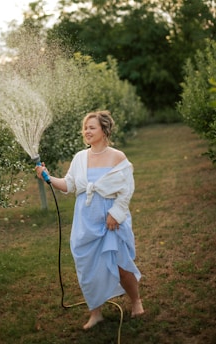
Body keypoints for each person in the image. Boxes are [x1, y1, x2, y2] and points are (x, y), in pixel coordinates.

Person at [36, 110, 144, 329]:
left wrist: (116, 213)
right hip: (86, 220)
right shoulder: (80, 158)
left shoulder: (117, 157)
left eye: (91, 127)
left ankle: (136, 302)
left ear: (104, 130)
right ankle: (95, 313)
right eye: (85, 128)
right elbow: (70, 185)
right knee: (87, 268)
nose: (87, 131)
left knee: (122, 265)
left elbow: (126, 189)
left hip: (111, 220)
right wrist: (47, 177)